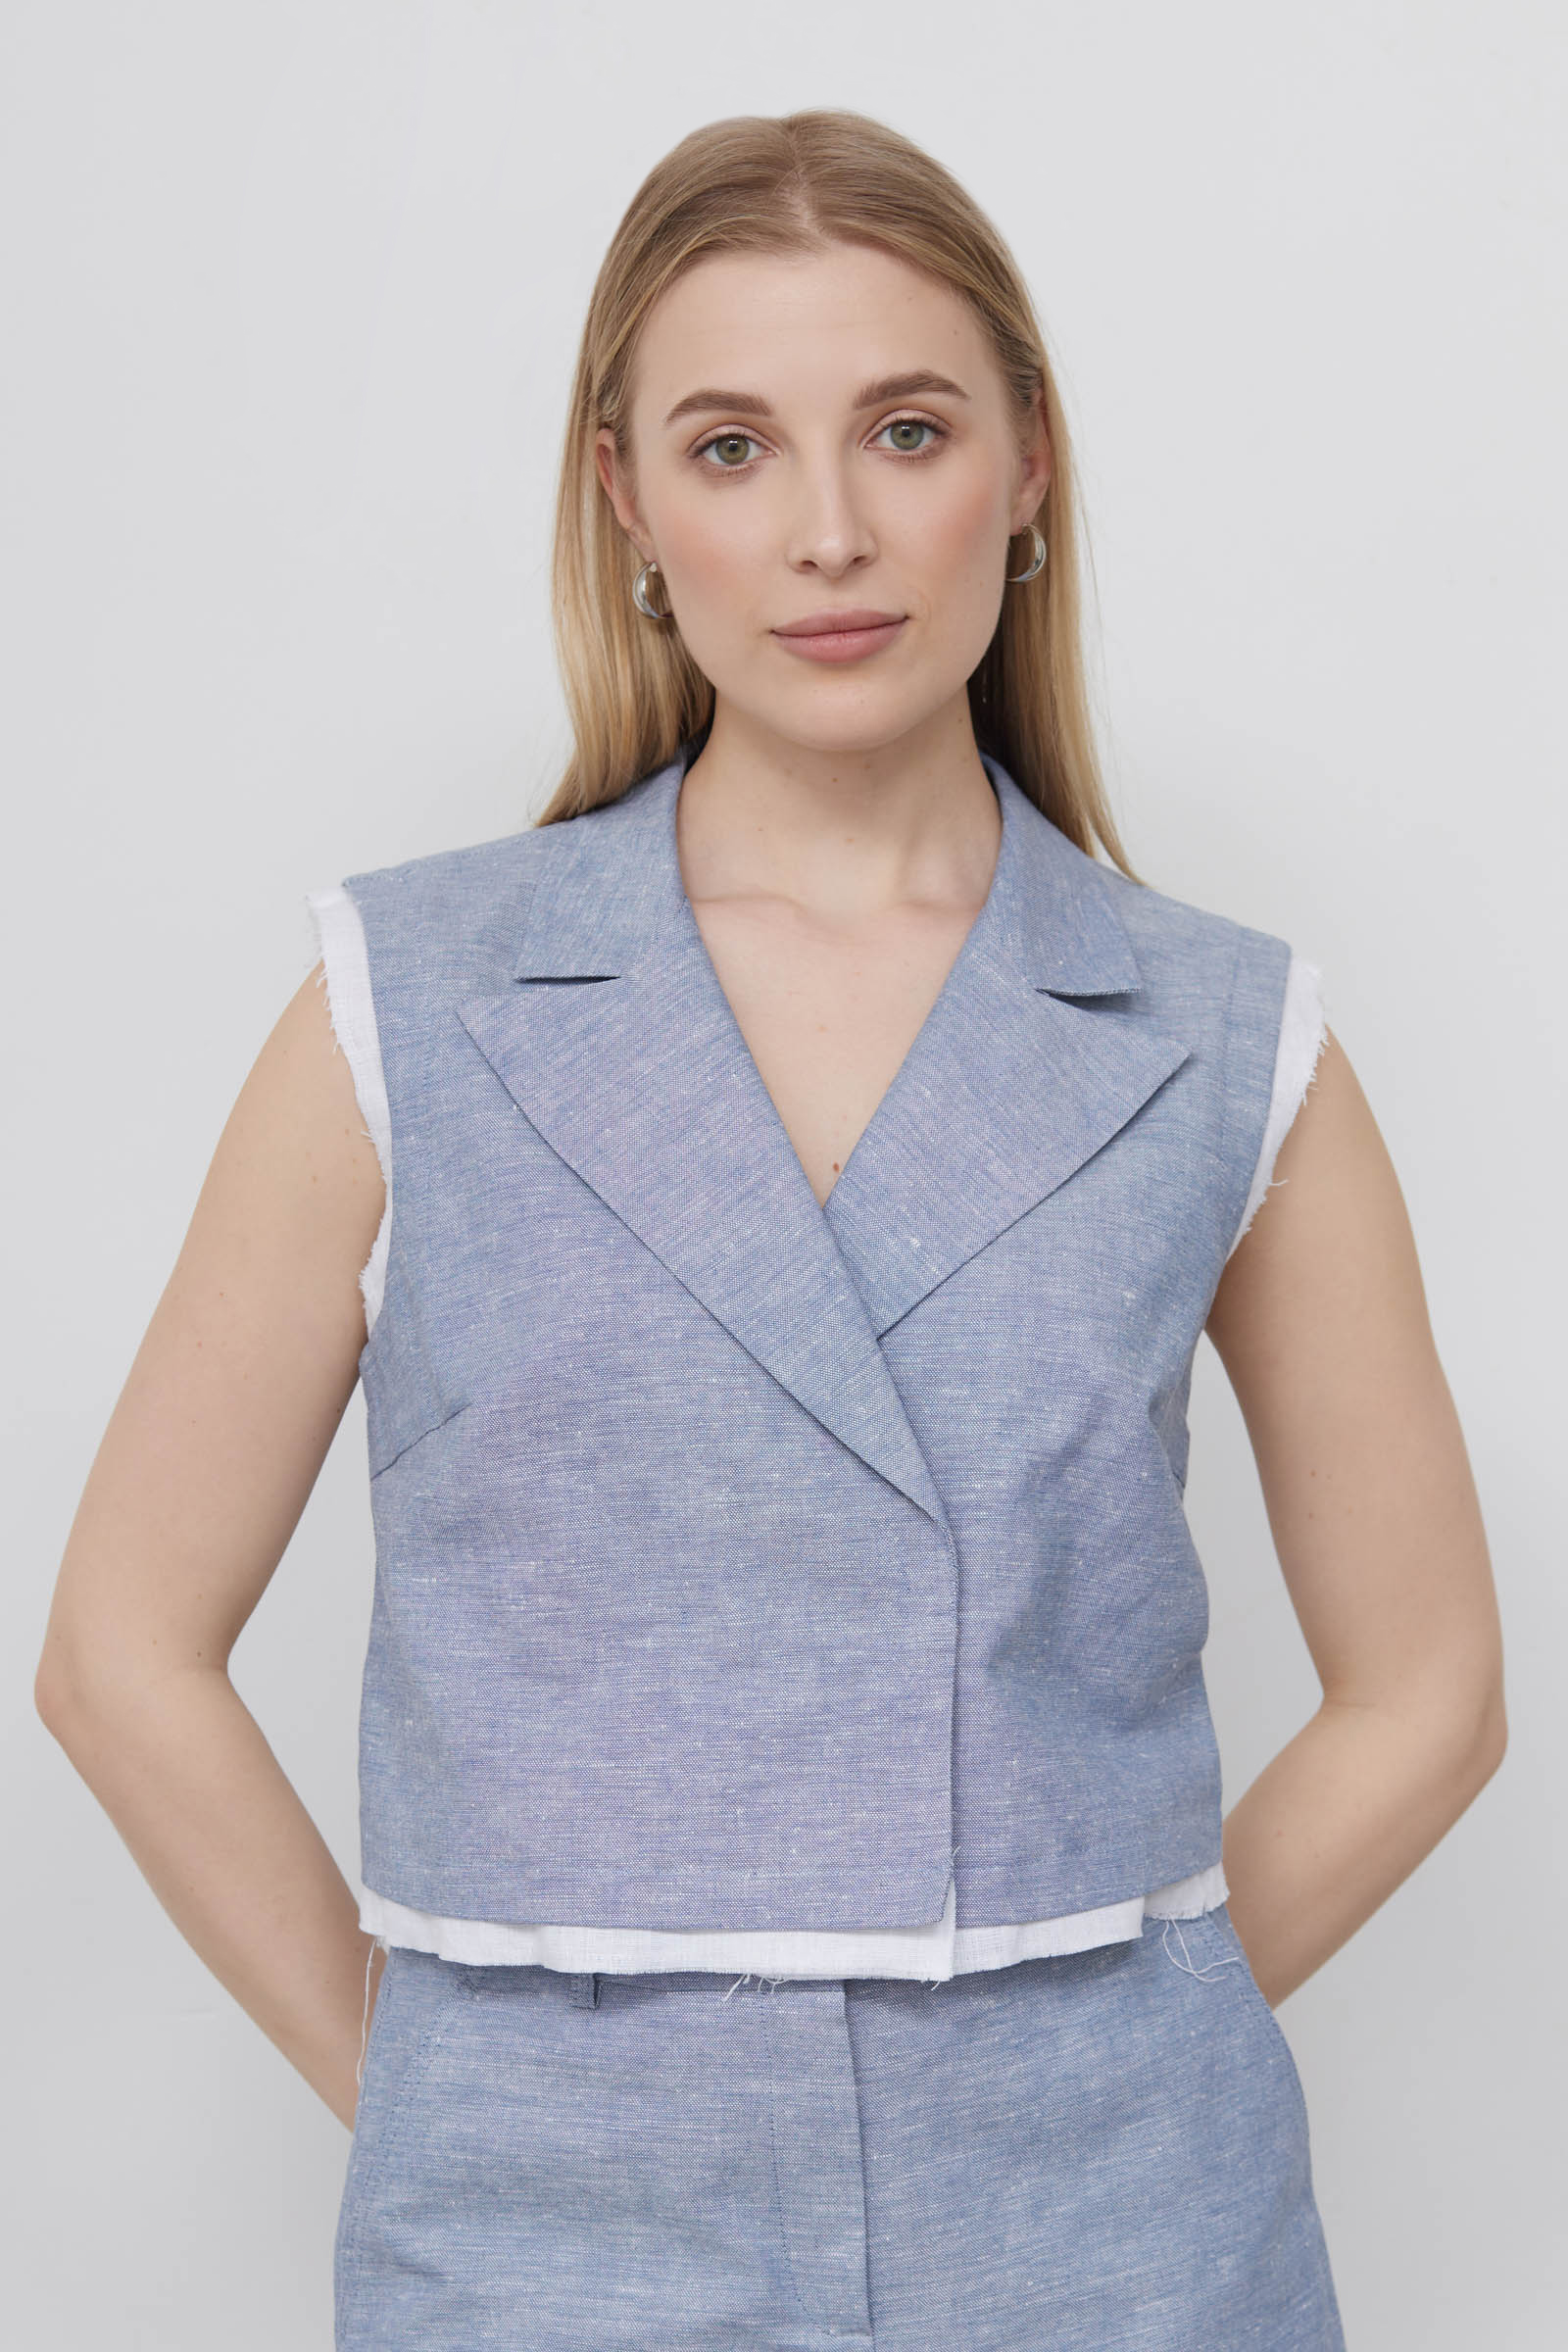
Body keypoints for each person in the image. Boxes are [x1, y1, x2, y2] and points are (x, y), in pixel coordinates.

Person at [35, 109, 1504, 2349]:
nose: (827, 530)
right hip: (536, 2235)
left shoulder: (1219, 1034)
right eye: (730, 447)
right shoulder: (407, 1003)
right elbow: (118, 1649)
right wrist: (430, 2094)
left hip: (1118, 2238)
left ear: (1026, 464)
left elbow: (1428, 1691)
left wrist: (1127, 2027)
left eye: (905, 430)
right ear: (624, 501)